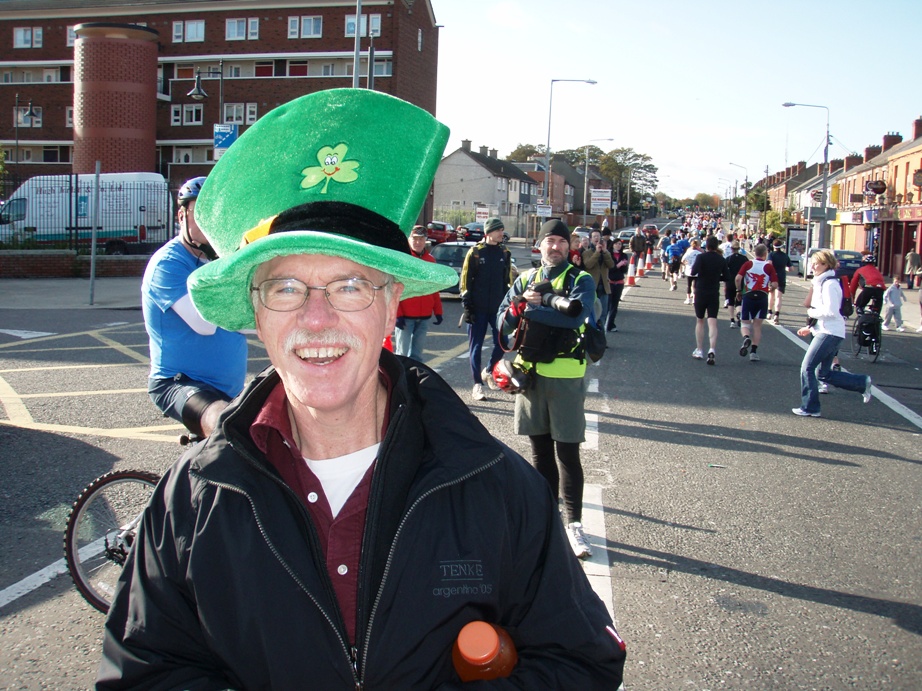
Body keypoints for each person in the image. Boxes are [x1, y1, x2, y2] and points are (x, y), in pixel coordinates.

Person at [99, 89, 625, 689]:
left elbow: (581, 662)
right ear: (256, 313)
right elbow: (143, 672)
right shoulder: (190, 501)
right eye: (287, 288)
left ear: (392, 305)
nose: (316, 319)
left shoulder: (497, 490)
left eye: (349, 286)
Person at [497, 219, 596, 560]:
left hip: (567, 375)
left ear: (570, 247)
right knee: (539, 452)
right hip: (530, 375)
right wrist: (519, 305)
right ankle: (547, 519)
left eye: (560, 241)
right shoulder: (525, 279)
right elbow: (502, 319)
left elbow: (575, 318)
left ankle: (575, 524)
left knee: (568, 454)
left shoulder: (580, 279)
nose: (554, 246)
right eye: (548, 241)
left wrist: (534, 309)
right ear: (539, 246)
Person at [141, 176, 248, 438]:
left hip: (226, 389)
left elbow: (251, 318)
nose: (209, 222)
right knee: (224, 427)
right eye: (199, 213)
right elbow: (204, 323)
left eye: (214, 213)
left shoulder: (214, 262)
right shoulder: (169, 264)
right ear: (181, 215)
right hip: (180, 383)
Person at [793, 249, 872, 417]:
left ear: (826, 265)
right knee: (823, 374)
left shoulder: (829, 284)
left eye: (817, 263)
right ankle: (861, 383)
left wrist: (811, 314)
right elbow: (824, 312)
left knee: (807, 368)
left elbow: (831, 312)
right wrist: (811, 327)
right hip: (827, 330)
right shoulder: (821, 282)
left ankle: (810, 407)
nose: (813, 266)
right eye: (812, 262)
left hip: (829, 333)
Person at [460, 216, 514, 401]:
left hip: (498, 309)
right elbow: (465, 280)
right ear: (489, 232)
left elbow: (508, 281)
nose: (502, 233)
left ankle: (489, 370)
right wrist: (467, 306)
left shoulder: (504, 253)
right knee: (476, 346)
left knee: (503, 343)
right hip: (478, 308)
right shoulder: (475, 252)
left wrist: (510, 302)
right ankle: (477, 385)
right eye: (499, 230)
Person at [394, 225, 443, 360]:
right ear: (409, 240)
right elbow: (395, 289)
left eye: (421, 239)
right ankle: (400, 380)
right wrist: (397, 314)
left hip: (424, 316)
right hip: (405, 316)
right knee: (401, 354)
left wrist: (438, 311)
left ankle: (415, 380)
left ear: (425, 240)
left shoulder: (430, 261)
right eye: (414, 239)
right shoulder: (403, 260)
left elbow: (433, 288)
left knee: (417, 356)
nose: (418, 242)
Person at [735, 243, 778, 362]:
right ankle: (753, 352)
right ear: (765, 254)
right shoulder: (769, 267)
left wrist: (739, 290)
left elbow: (738, 278)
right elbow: (775, 284)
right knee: (757, 325)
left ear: (754, 253)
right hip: (762, 296)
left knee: (745, 323)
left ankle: (746, 337)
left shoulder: (748, 264)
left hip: (748, 295)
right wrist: (771, 289)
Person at [690, 236, 729, 365]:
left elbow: (693, 271)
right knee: (712, 322)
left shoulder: (701, 257)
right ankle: (712, 349)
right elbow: (727, 277)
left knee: (700, 320)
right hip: (713, 292)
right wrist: (717, 276)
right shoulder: (721, 259)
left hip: (701, 291)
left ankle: (699, 349)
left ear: (706, 246)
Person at [581, 228, 615, 323]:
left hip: (604, 286)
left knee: (603, 313)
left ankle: (602, 334)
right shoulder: (586, 253)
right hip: (592, 287)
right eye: (594, 236)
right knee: (591, 313)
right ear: (590, 239)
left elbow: (611, 265)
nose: (596, 238)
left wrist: (604, 252)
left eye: (598, 236)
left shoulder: (605, 252)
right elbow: (588, 264)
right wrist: (597, 252)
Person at [606, 238, 629, 331]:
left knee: (615, 305)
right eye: (617, 244)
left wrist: (624, 265)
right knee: (608, 305)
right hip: (610, 282)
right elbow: (609, 269)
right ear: (613, 245)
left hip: (619, 282)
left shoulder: (624, 255)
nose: (618, 245)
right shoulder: (609, 255)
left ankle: (611, 324)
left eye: (620, 244)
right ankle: (605, 323)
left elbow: (624, 271)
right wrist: (618, 265)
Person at [767, 239, 791, 324]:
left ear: (773, 246)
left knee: (771, 294)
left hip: (772, 277)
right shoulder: (785, 256)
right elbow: (790, 268)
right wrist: (786, 268)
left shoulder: (771, 254)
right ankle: (776, 314)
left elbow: (769, 263)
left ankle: (769, 312)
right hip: (781, 277)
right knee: (779, 297)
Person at [724, 240, 748, 328]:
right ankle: (739, 313)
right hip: (741, 281)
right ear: (739, 248)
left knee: (730, 301)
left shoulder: (728, 259)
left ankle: (732, 320)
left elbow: (725, 270)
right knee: (739, 301)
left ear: (731, 249)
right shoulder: (744, 259)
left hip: (730, 281)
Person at [681, 238, 702, 304]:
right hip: (697, 271)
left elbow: (682, 260)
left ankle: (688, 298)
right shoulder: (699, 253)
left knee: (689, 285)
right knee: (695, 286)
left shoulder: (688, 252)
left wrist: (685, 263)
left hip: (689, 270)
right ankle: (694, 299)